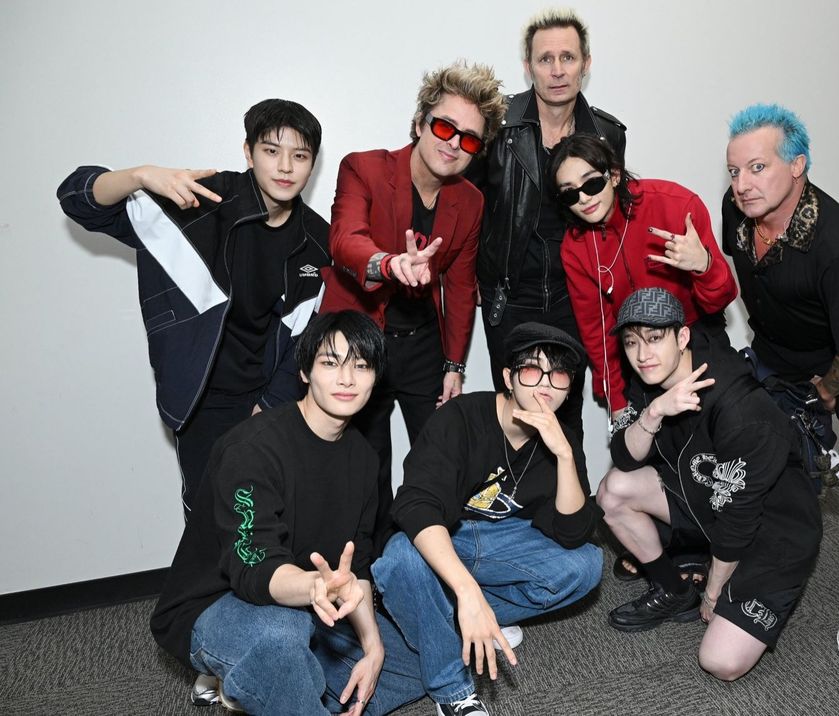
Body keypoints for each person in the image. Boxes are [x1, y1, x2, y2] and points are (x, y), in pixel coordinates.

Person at [57, 99, 330, 518]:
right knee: (209, 519)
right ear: (248, 152)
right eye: (271, 150)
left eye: (300, 156)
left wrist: (270, 406)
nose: (285, 167)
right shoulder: (201, 201)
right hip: (202, 397)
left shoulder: (317, 240)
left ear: (312, 165)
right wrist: (139, 175)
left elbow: (306, 334)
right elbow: (76, 199)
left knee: (267, 516)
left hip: (269, 399)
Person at [149, 311, 429, 715]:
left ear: (375, 378)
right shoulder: (250, 449)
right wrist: (315, 587)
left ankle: (264, 683)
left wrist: (373, 648)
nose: (346, 379)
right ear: (304, 372)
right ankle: (270, 676)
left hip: (309, 599)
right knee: (282, 634)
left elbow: (357, 565)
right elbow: (253, 566)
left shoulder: (365, 459)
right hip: (216, 604)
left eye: (361, 366)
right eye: (330, 363)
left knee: (414, 665)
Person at [722, 104, 839, 660]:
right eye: (734, 171)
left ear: (797, 166)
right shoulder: (736, 210)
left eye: (757, 168)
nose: (742, 184)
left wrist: (826, 392)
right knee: (753, 444)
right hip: (779, 350)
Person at [372, 323, 603, 716]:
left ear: (569, 388)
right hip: (450, 537)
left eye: (559, 374)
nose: (545, 384)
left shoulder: (561, 439)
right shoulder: (462, 418)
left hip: (502, 544)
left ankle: (453, 618)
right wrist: (468, 592)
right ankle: (452, 690)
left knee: (587, 565)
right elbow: (416, 505)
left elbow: (572, 533)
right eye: (532, 369)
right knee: (400, 557)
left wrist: (565, 455)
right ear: (508, 377)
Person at [322, 62, 506, 554]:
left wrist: (454, 365)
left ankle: (430, 562)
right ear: (421, 121)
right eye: (445, 127)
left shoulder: (470, 201)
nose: (454, 144)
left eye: (469, 139)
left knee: (440, 458)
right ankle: (371, 568)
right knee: (367, 466)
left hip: (423, 344)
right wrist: (388, 263)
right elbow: (344, 240)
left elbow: (461, 286)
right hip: (362, 343)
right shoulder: (364, 168)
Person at [597, 287, 821, 681]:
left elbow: (739, 519)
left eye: (654, 337)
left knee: (720, 661)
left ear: (682, 336)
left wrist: (715, 592)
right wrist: (654, 412)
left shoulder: (739, 406)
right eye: (632, 342)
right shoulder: (649, 378)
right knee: (613, 490)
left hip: (773, 530)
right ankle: (675, 589)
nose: (643, 354)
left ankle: (715, 572)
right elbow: (625, 457)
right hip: (707, 495)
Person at [477, 8, 626, 441]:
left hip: (576, 296)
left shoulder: (607, 135)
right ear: (528, 67)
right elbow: (467, 209)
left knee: (567, 414)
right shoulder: (497, 126)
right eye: (545, 59)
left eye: (568, 57)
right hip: (508, 297)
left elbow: (617, 217)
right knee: (513, 417)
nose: (557, 70)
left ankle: (568, 487)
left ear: (586, 63)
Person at [550, 133, 737, 426]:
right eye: (570, 193)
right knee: (642, 446)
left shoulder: (676, 205)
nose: (583, 198)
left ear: (614, 175)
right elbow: (596, 330)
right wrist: (615, 400)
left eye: (592, 183)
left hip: (695, 339)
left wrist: (703, 265)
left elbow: (720, 300)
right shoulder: (576, 248)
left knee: (722, 430)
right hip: (638, 356)